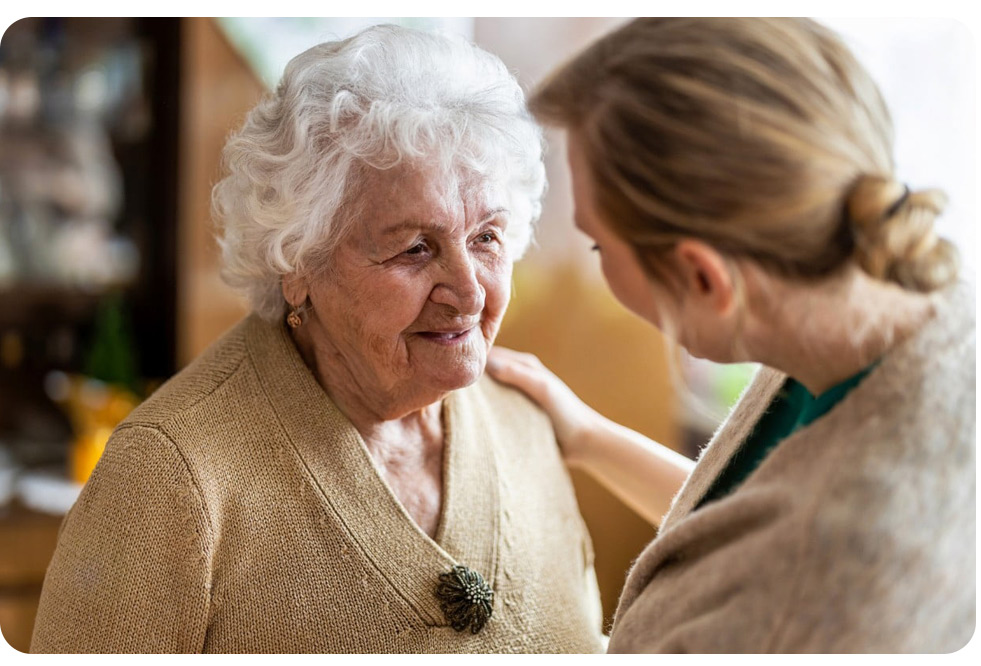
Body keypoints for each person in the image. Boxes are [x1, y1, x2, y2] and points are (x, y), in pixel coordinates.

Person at [30, 25, 605, 654]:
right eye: (415, 248)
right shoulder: (169, 478)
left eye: (486, 238)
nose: (469, 294)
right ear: (298, 264)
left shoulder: (526, 419)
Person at [487, 17, 975, 653]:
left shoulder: (828, 580)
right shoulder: (870, 302)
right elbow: (742, 529)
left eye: (599, 243)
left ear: (703, 276)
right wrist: (588, 437)